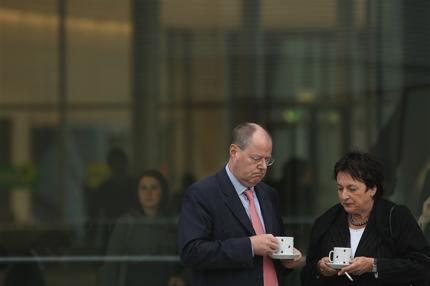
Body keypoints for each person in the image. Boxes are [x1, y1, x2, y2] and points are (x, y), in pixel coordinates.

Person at [178, 122, 302, 286]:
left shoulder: (269, 195)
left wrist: (287, 260)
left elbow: (270, 254)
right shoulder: (202, 194)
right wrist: (249, 246)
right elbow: (192, 253)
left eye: (268, 160)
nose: (263, 166)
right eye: (256, 158)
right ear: (234, 152)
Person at [301, 151, 430, 286]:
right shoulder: (326, 221)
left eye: (352, 189)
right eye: (340, 188)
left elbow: (422, 264)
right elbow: (306, 275)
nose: (344, 196)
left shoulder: (395, 217)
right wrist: (320, 269)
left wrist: (374, 265)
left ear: (373, 189)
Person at [101, 170, 186, 286]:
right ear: (137, 193)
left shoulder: (173, 223)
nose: (148, 193)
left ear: (162, 192)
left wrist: (182, 278)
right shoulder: (126, 223)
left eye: (154, 188)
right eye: (143, 188)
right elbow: (111, 267)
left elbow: (191, 259)